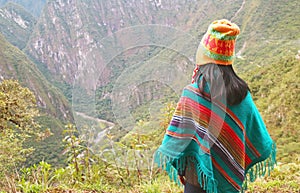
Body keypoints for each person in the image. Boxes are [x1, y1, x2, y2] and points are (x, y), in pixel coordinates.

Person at [154, 19, 276, 193]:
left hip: (197, 180)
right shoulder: (242, 95)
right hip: (230, 182)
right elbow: (258, 137)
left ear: (204, 58)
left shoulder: (192, 94)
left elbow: (178, 141)